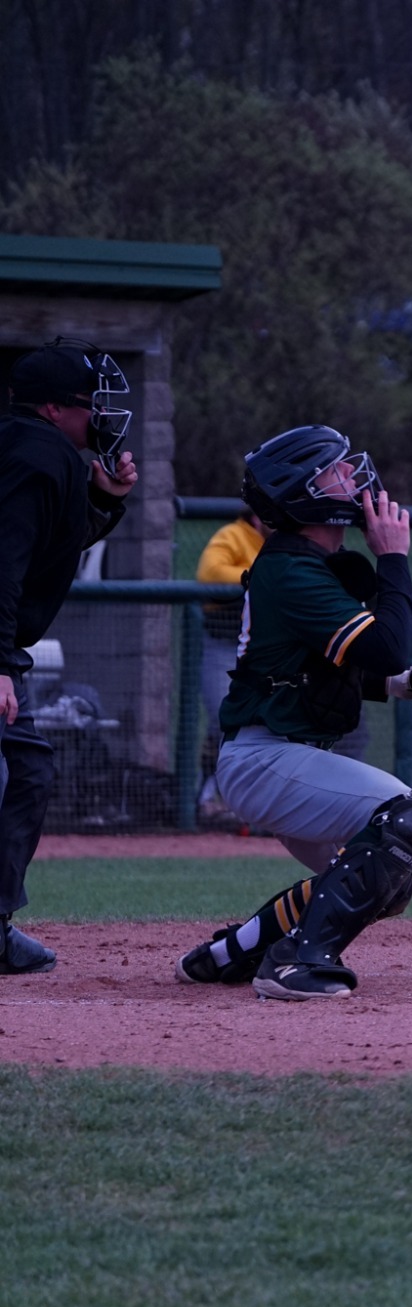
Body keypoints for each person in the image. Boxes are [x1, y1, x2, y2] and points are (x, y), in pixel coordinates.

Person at [172, 425, 412, 1000]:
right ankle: (295, 965)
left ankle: (232, 953)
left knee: (388, 879)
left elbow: (346, 669)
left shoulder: (308, 563)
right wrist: (394, 559)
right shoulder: (293, 569)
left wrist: (411, 684)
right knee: (410, 816)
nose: (352, 479)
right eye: (335, 473)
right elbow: (387, 646)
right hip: (264, 756)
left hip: (280, 754)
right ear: (306, 493)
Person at [0, 337, 137, 975]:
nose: (99, 416)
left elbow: (54, 542)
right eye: (88, 404)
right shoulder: (39, 453)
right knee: (14, 776)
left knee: (26, 771)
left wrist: (103, 499)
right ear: (54, 410)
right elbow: (2, 565)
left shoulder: (33, 448)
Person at [194, 508, 269, 813]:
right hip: (223, 644)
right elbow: (209, 574)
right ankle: (205, 796)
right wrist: (263, 575)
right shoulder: (235, 535)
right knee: (224, 719)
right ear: (257, 516)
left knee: (261, 724)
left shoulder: (288, 542)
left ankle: (235, 800)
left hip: (263, 652)